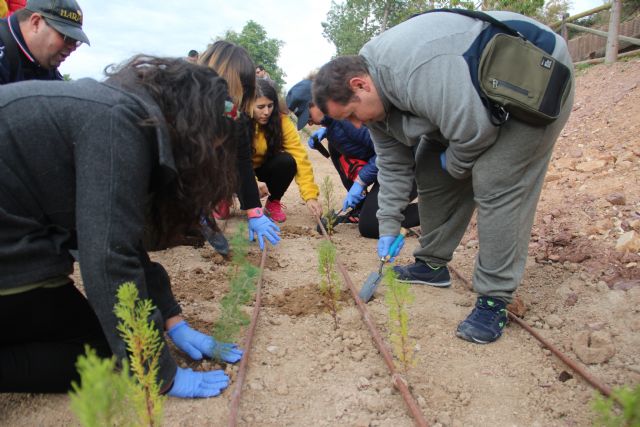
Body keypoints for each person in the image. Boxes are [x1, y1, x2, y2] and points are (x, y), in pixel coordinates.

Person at [313, 10, 575, 344]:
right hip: (477, 99)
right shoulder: (377, 101)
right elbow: (393, 168)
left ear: (360, 85)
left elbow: (474, 134)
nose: (356, 126)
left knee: (495, 179)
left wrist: (454, 166)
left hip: (534, 78)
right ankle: (432, 264)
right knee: (429, 166)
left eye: (352, 115)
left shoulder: (416, 70)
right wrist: (388, 227)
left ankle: (494, 297)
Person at [0, 56, 244, 398]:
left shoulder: (125, 112)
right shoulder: (117, 124)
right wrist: (158, 372)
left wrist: (172, 320)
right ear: (194, 128)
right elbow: (107, 258)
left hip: (16, 224)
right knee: (96, 355)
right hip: (10, 237)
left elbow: (118, 236)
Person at [287, 78, 420, 238]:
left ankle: (440, 210)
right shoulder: (335, 119)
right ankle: (364, 206)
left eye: (307, 116)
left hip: (405, 166)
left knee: (370, 225)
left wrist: (360, 181)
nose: (309, 123)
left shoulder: (347, 118)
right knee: (334, 146)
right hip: (386, 165)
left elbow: (390, 151)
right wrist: (327, 130)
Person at [198, 40, 280, 251]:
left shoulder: (236, 116)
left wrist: (254, 210)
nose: (235, 100)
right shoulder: (181, 105)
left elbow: (242, 162)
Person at [252, 78, 322, 222]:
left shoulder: (281, 120)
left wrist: (310, 196)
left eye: (270, 106)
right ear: (248, 105)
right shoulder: (238, 121)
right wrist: (252, 183)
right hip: (238, 172)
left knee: (287, 161)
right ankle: (223, 198)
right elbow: (232, 161)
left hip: (262, 170)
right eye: (260, 107)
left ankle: (273, 202)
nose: (266, 112)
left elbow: (299, 156)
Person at [0, 0, 89, 84]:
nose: (73, 47)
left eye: (77, 41)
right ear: (36, 23)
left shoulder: (44, 62)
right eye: (67, 37)